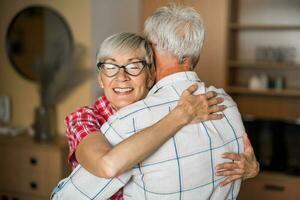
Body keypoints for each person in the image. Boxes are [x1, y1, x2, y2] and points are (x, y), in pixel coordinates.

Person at [52, 5, 259, 200]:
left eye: (133, 65)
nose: (122, 77)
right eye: (111, 67)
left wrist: (252, 169)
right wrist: (180, 115)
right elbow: (107, 165)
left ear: (150, 53)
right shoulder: (227, 104)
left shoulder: (130, 121)